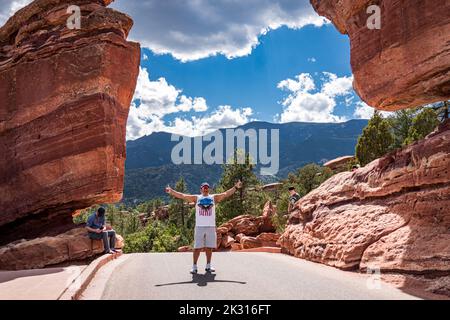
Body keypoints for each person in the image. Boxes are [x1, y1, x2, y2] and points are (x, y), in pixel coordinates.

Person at [166, 180, 242, 274]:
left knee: (209, 247)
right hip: (199, 227)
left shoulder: (213, 197)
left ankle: (208, 266)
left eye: (207, 188)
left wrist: (235, 187)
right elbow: (183, 196)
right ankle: (194, 266)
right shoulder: (197, 198)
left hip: (210, 227)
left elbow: (226, 194)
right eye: (204, 188)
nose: (205, 189)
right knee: (197, 248)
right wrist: (171, 191)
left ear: (208, 189)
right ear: (201, 189)